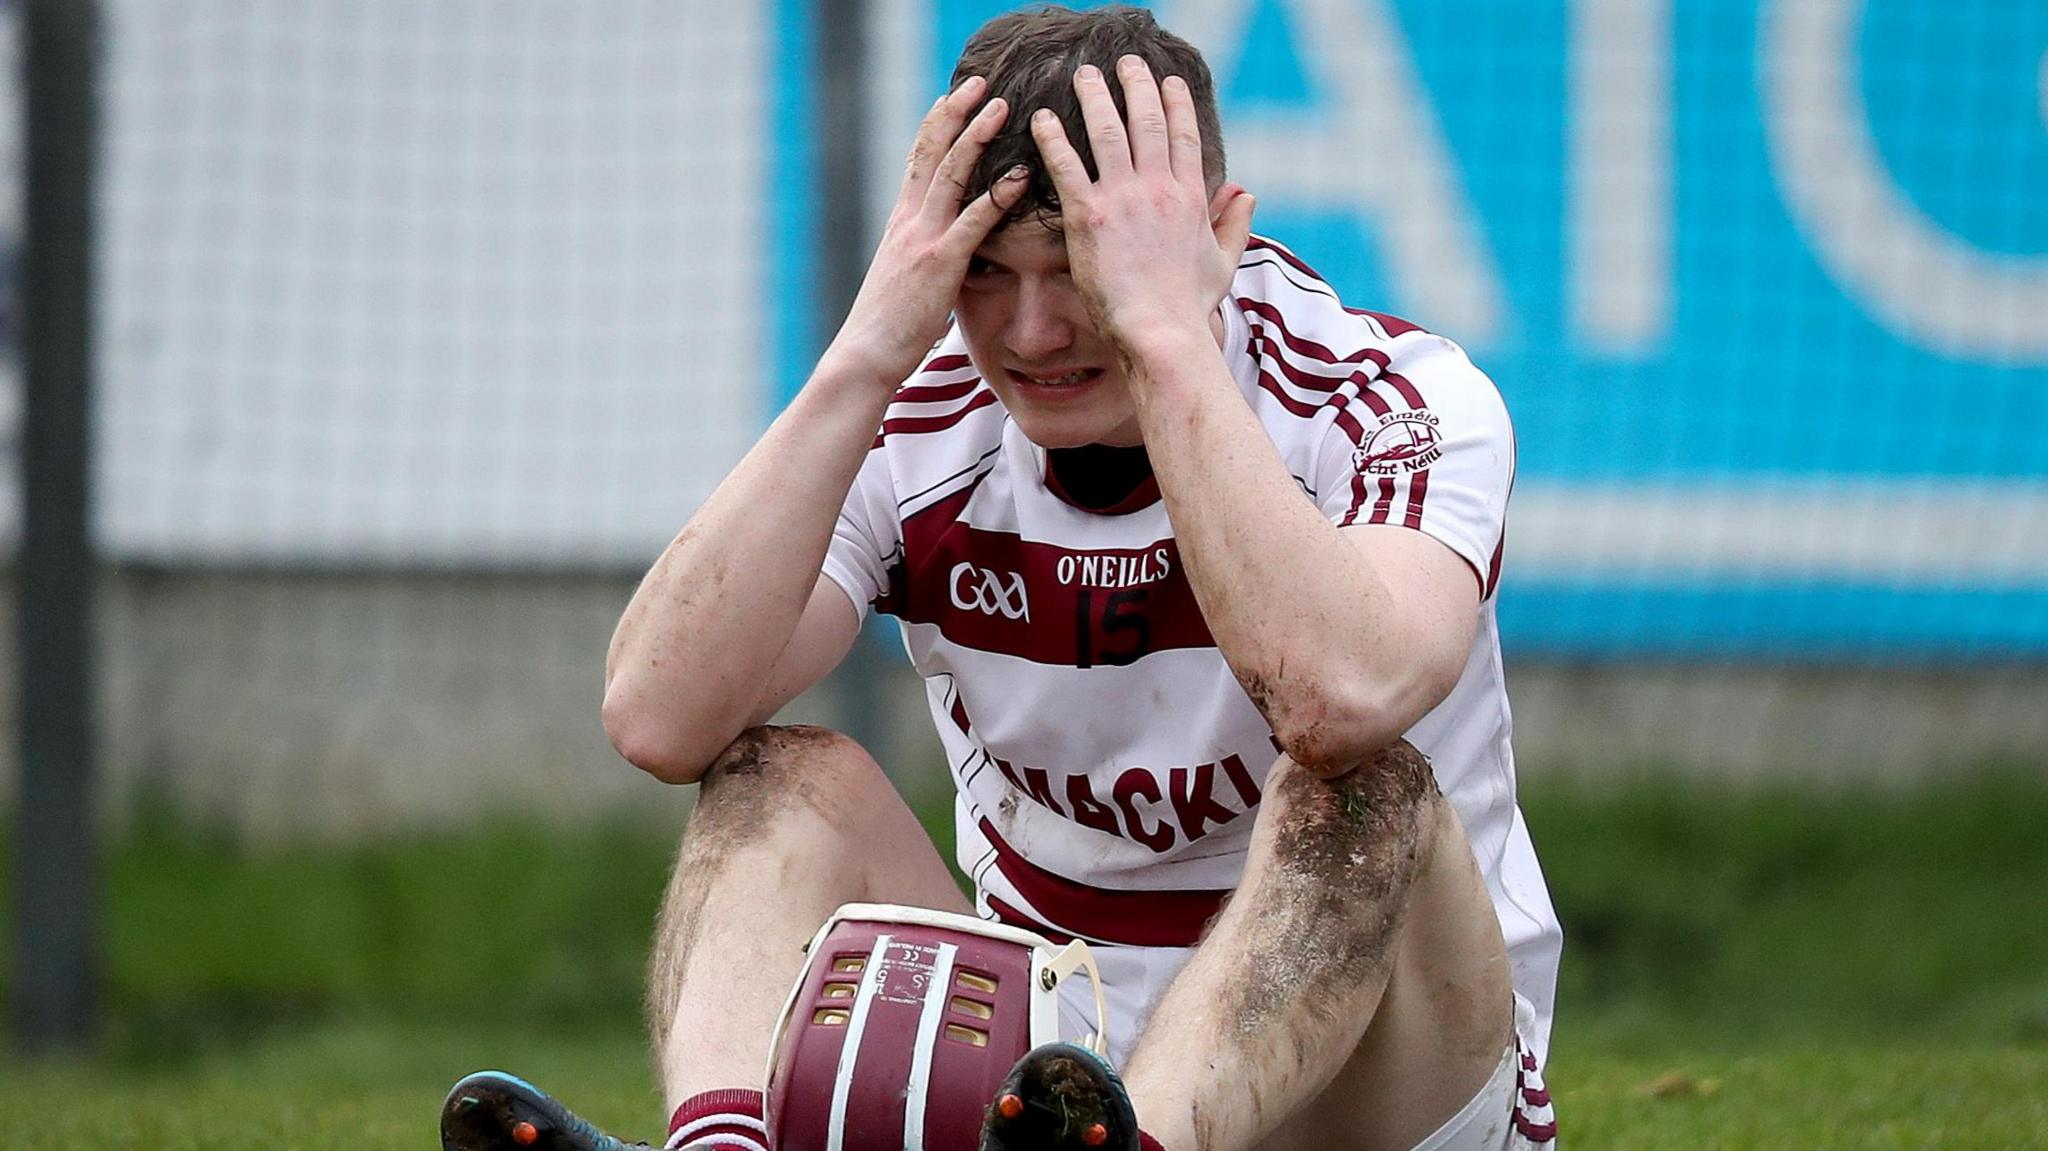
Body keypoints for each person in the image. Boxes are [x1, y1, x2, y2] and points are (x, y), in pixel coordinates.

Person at [442, 6, 1559, 1150]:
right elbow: (656, 713)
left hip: (1381, 1080)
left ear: (1215, 234)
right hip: (1038, 1088)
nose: (1031, 330)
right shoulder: (920, 414)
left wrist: (1166, 341)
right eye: (983, 272)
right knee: (776, 779)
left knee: (1356, 789)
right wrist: (869, 346)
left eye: (1078, 264)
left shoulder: (1392, 399)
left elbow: (1340, 698)